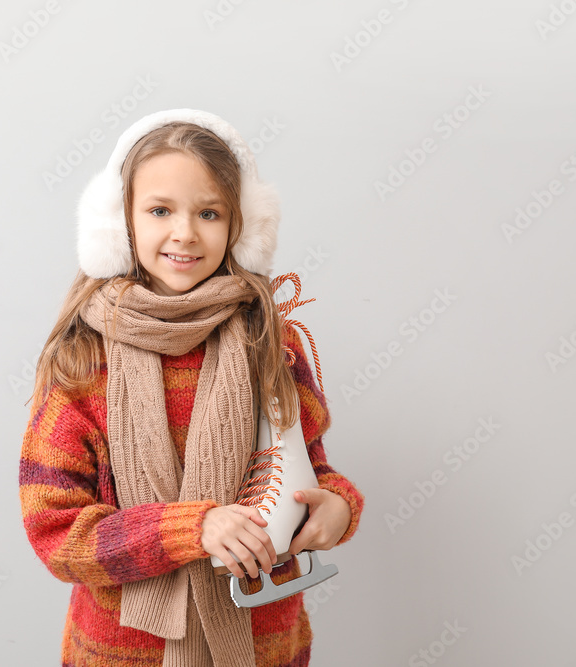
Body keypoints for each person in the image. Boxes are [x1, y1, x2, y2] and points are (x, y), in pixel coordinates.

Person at [19, 108, 365, 667]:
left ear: (240, 228)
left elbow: (310, 467)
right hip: (123, 653)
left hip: (263, 643)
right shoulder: (84, 360)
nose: (184, 232)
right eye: (160, 210)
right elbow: (55, 530)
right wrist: (192, 527)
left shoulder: (271, 345)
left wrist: (338, 508)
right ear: (120, 224)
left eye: (209, 212)